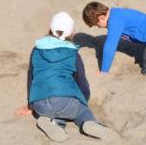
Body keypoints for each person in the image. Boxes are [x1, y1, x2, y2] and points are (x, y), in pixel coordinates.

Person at [15, 12, 114, 142]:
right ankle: (88, 123)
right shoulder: (73, 54)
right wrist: (83, 100)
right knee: (81, 111)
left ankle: (54, 123)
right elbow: (81, 81)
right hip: (64, 101)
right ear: (72, 32)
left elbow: (31, 76)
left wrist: (30, 106)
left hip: (40, 104)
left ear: (50, 28)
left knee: (54, 111)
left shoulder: (37, 49)